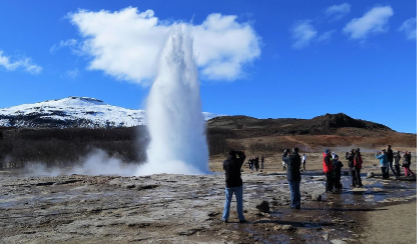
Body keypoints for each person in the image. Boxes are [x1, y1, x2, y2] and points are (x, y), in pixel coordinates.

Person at [222, 150, 247, 223]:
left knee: (227, 201)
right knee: (239, 201)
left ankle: (225, 218)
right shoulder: (238, 161)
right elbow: (243, 156)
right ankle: (241, 218)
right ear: (235, 155)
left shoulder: (225, 162)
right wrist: (239, 152)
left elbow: (224, 168)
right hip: (238, 184)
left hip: (228, 184)